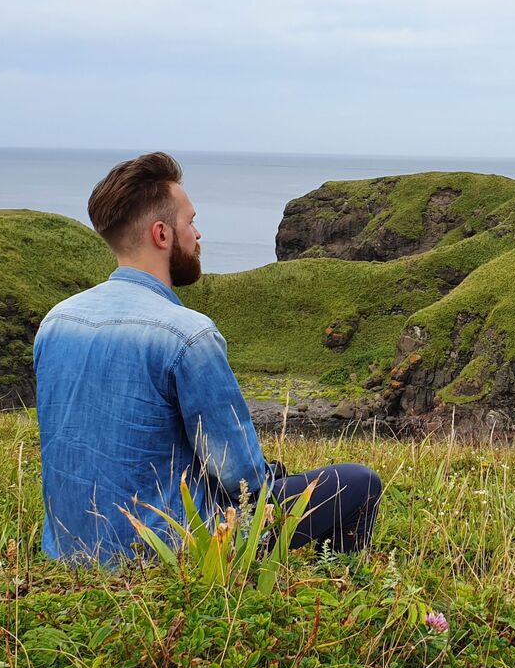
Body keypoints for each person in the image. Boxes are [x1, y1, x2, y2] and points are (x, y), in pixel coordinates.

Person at [33, 152, 382, 564]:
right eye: (191, 222)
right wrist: (272, 476)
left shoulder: (57, 320)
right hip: (167, 550)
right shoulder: (186, 333)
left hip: (67, 547)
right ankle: (338, 584)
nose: (198, 235)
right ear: (162, 235)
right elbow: (242, 479)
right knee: (359, 482)